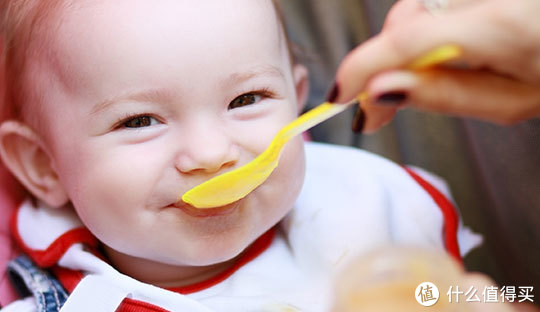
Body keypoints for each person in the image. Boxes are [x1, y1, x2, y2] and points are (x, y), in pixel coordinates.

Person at [0, 0, 484, 311]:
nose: (211, 155)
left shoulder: (368, 208)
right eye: (139, 121)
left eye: (246, 100)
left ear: (297, 100)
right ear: (44, 164)